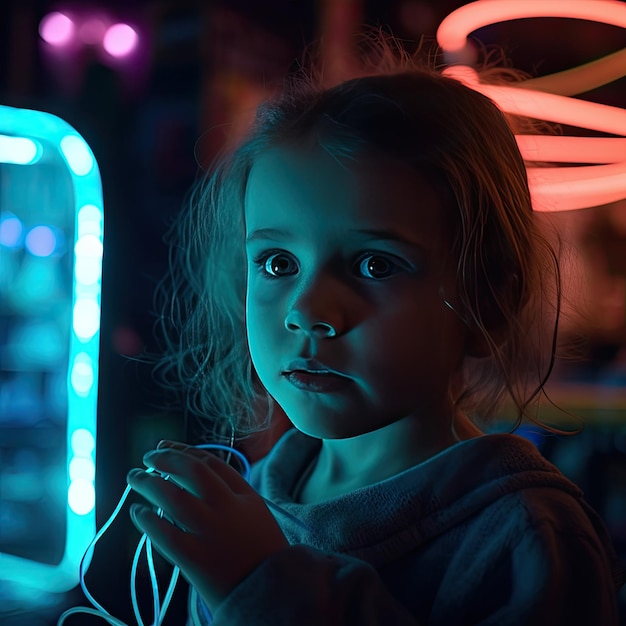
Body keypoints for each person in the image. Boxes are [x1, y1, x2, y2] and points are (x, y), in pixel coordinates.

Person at [126, 37, 625, 625]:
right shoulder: (254, 495)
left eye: (374, 264)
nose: (307, 310)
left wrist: (260, 583)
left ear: (489, 300)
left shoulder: (524, 536)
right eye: (278, 263)